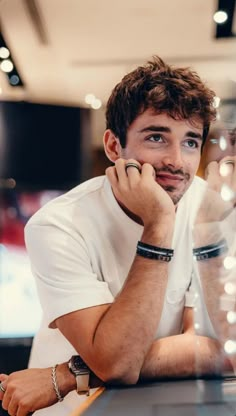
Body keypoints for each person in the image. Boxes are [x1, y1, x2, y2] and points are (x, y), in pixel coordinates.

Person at [0, 56, 235, 416]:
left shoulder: (211, 212)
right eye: (156, 137)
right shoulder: (58, 224)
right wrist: (158, 225)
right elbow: (116, 363)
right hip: (74, 410)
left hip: (162, 401)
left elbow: (221, 348)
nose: (177, 160)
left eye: (190, 142)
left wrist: (70, 372)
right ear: (113, 147)